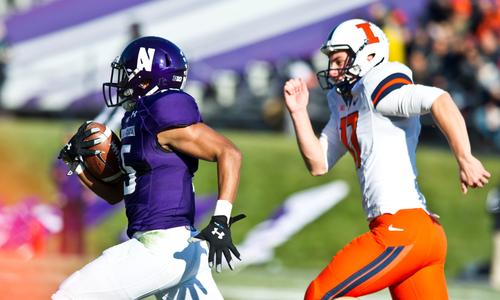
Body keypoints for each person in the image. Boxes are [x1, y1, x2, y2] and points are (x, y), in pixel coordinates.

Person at [283, 19, 491, 300]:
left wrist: (464, 156)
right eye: (330, 61)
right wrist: (298, 113)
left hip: (402, 230)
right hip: (418, 233)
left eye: (339, 60)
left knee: (320, 294)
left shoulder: (377, 83)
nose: (332, 70)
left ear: (369, 55)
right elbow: (318, 163)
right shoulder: (345, 100)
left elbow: (438, 99)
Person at [53, 36, 245, 299]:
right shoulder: (139, 117)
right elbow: (116, 194)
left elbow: (229, 152)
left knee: (68, 295)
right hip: (180, 249)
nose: (121, 81)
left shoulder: (162, 111)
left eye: (126, 73)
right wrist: (78, 167)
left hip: (161, 247)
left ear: (145, 77)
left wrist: (220, 220)